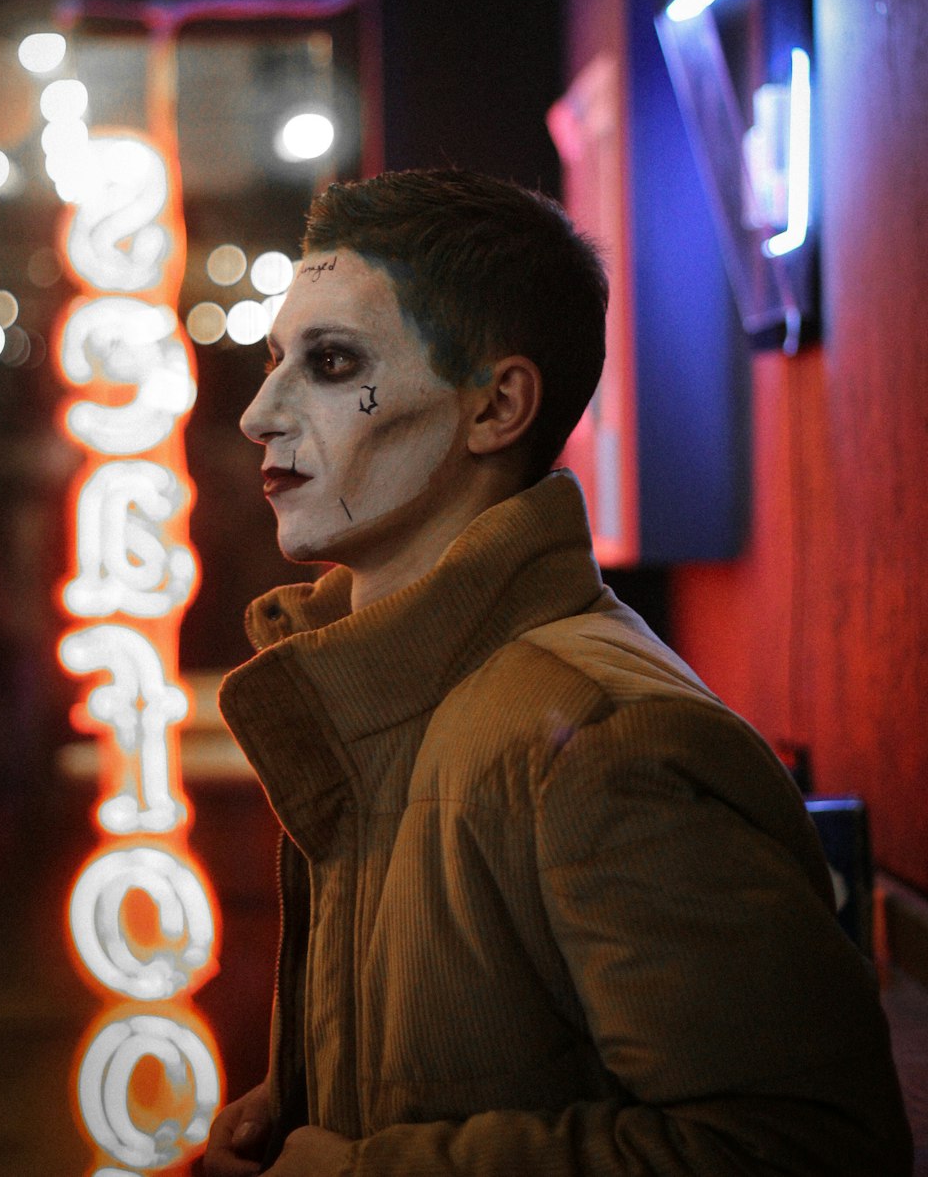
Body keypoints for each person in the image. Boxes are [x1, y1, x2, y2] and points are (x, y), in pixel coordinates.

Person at [204, 168, 912, 1177]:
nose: (259, 413)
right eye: (275, 360)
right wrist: (300, 1106)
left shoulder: (606, 737)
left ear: (495, 407)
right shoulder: (379, 701)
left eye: (328, 362)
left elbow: (802, 1147)